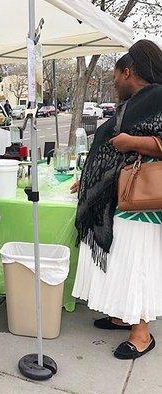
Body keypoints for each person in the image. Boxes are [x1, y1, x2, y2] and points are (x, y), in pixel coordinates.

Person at [72, 39, 162, 360]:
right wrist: (89, 178)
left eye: (115, 79)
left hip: (144, 199)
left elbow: (128, 143)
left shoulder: (157, 98)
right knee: (123, 256)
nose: (114, 85)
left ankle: (142, 333)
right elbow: (108, 148)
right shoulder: (136, 102)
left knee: (137, 260)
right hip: (122, 196)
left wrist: (131, 141)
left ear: (128, 72)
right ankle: (125, 316)